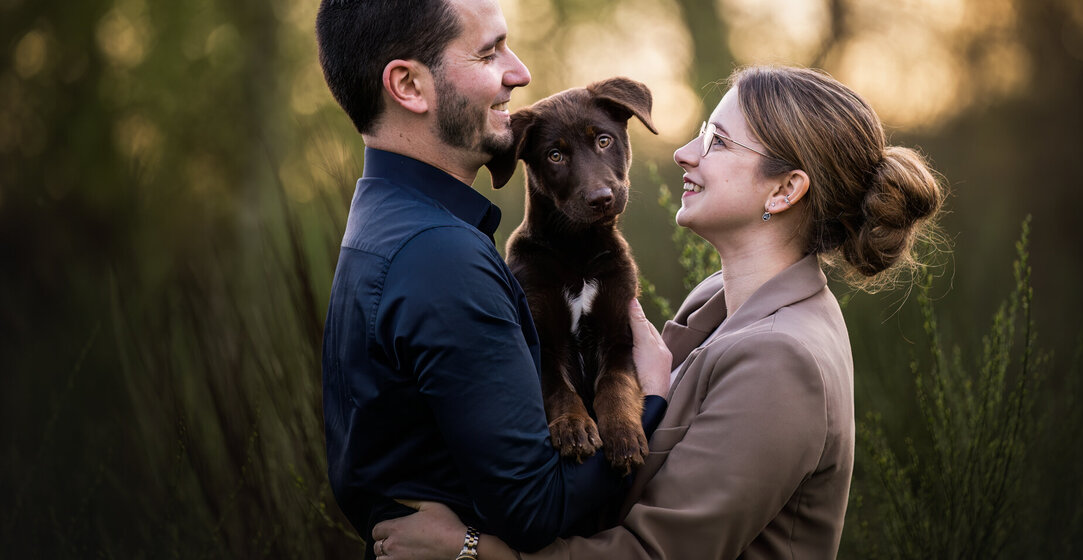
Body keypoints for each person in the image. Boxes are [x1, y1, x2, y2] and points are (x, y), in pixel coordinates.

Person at [370, 64, 944, 560]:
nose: (682, 152)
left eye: (716, 142)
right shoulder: (717, 302)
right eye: (699, 133)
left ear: (784, 190)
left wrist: (468, 550)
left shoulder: (783, 360)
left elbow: (653, 554)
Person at [314, 0, 672, 559]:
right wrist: (656, 395)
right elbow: (535, 510)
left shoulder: (381, 222)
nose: (521, 73)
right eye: (489, 54)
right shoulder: (439, 258)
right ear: (409, 87)